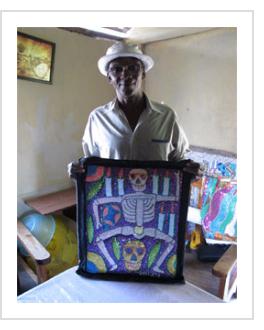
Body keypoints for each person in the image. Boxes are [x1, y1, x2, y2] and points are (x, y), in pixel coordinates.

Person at [69, 42, 195, 176]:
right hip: (114, 196)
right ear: (109, 77)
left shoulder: (166, 116)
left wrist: (191, 170)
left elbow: (180, 160)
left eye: (133, 68)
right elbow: (90, 165)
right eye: (117, 69)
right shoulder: (97, 118)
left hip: (156, 196)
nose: (125, 74)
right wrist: (78, 170)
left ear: (143, 74)